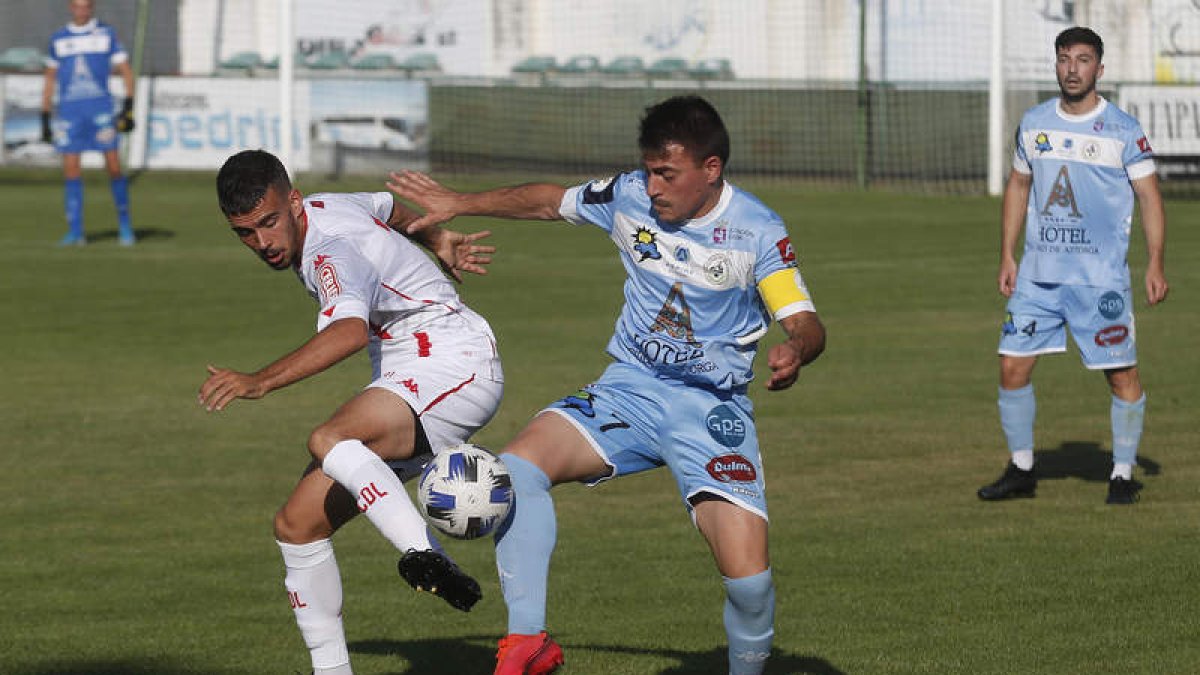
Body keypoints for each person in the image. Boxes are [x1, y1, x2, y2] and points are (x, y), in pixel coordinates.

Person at [387, 95, 827, 675]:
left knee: (750, 583)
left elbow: (804, 321)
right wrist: (459, 202)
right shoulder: (628, 196)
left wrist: (796, 350)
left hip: (711, 412)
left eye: (666, 173)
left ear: (711, 169)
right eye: (648, 171)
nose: (653, 186)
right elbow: (549, 202)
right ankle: (527, 644)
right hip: (628, 390)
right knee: (516, 470)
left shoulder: (757, 232)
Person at [201, 149, 504, 675]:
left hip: (455, 360)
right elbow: (388, 207)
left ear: (292, 202)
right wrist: (438, 240)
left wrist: (259, 382)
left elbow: (347, 332)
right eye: (245, 233)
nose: (263, 243)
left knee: (329, 438)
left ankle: (423, 552)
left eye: (269, 223)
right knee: (298, 525)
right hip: (409, 374)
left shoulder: (327, 252)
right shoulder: (326, 204)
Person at [978, 27, 1169, 506]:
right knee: (1011, 367)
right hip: (1039, 277)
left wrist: (1155, 263)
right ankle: (1022, 469)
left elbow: (1149, 198)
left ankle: (1123, 474)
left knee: (1121, 374)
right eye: (1064, 59)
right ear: (1056, 65)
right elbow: (1019, 187)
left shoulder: (1123, 131)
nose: (1072, 68)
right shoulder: (1035, 122)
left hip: (1099, 281)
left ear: (1099, 69)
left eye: (1082, 60)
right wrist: (1007, 253)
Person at [42, 0, 137, 247]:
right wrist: (44, 115)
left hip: (101, 112)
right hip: (70, 114)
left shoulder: (106, 34)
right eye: (77, 6)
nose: (82, 10)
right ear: (70, 7)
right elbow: (50, 79)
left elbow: (126, 70)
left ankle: (125, 227)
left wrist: (128, 108)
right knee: (71, 170)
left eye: (86, 6)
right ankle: (76, 231)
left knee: (114, 168)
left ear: (92, 8)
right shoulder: (58, 39)